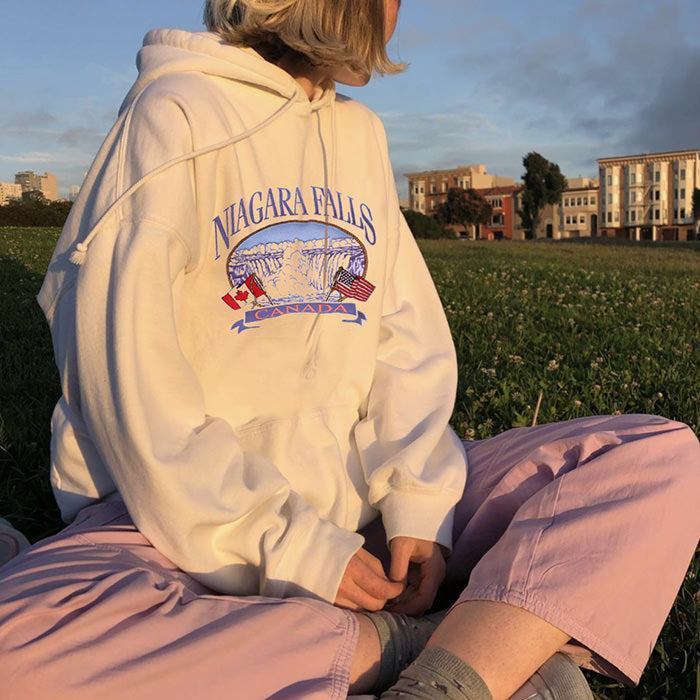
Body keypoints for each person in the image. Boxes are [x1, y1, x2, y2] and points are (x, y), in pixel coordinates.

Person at [1, 2, 699, 699]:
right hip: (176, 521)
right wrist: (295, 547)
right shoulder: (173, 114)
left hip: (364, 507)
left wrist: (418, 507)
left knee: (656, 458)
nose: (397, 14)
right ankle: (452, 652)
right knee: (17, 649)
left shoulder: (360, 134)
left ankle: (432, 674)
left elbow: (404, 341)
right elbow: (127, 384)